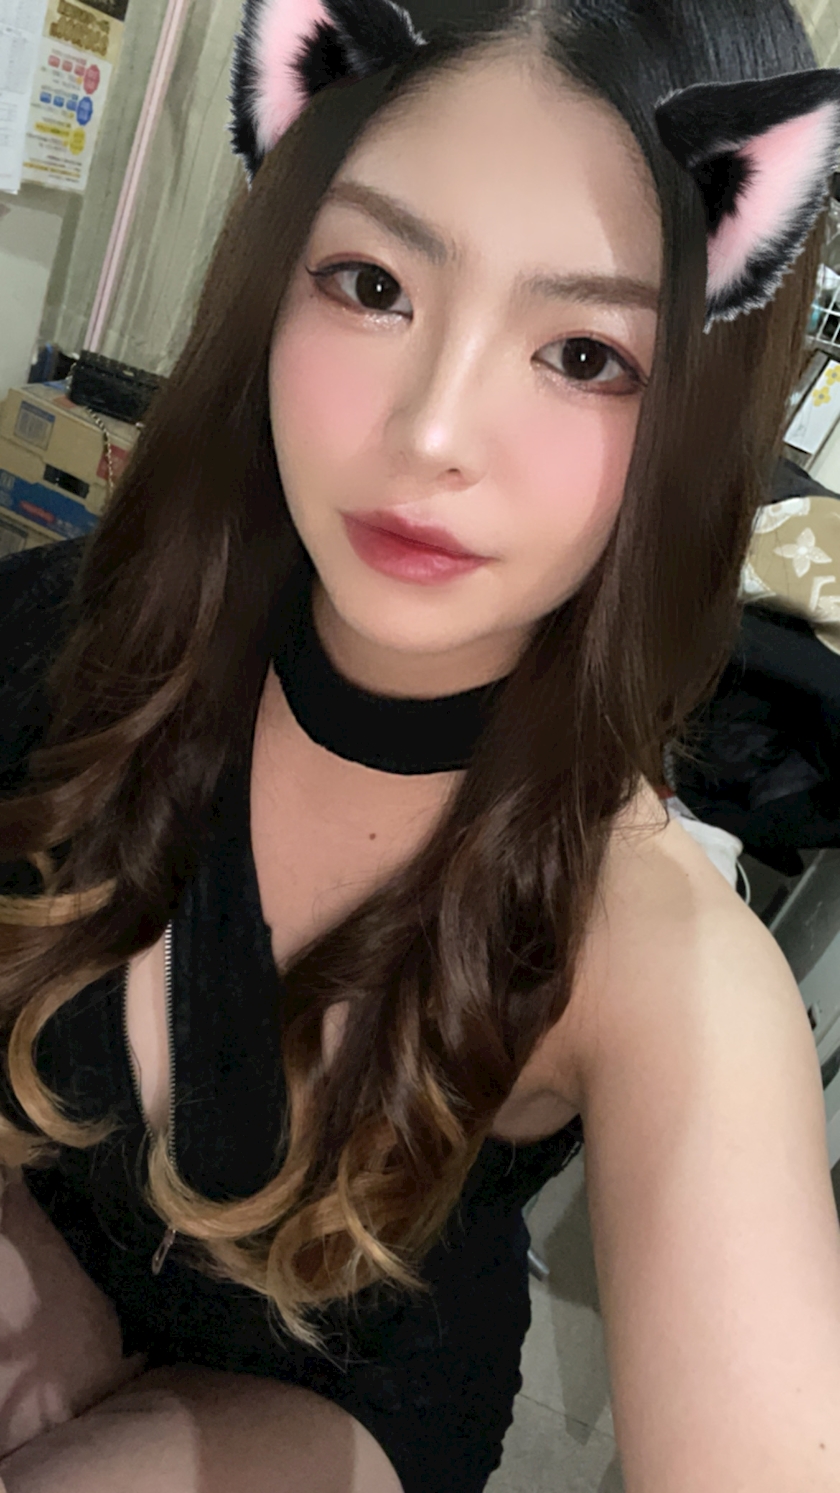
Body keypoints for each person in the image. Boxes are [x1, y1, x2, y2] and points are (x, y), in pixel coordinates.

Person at [1, 0, 839, 1488]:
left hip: (335, 1395)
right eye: (373, 283)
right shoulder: (74, 637)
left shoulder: (654, 953)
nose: (434, 429)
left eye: (585, 353)